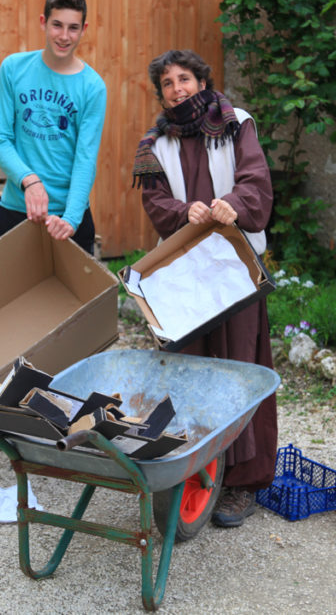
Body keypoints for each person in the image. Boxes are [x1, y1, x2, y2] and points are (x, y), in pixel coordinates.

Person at [132, 49, 277, 528]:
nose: (178, 88)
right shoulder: (154, 144)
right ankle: (189, 473)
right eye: (169, 82)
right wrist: (184, 213)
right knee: (188, 368)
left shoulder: (237, 124)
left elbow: (256, 181)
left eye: (185, 79)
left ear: (202, 81)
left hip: (233, 267)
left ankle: (241, 483)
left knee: (238, 366)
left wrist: (233, 204)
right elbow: (157, 203)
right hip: (184, 276)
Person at [0, 0, 107, 255]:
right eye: (57, 25)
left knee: (71, 299)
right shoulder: (13, 69)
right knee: (13, 296)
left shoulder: (93, 87)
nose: (64, 36)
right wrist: (29, 181)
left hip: (68, 217)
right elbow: (0, 140)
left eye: (73, 28)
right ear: (43, 23)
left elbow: (85, 158)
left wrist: (72, 219)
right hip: (17, 211)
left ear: (84, 29)